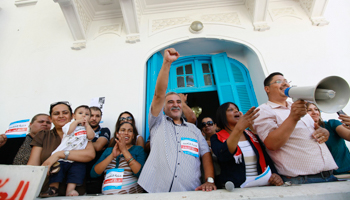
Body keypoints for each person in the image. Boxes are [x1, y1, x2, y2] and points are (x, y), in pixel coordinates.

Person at [138, 48, 216, 193]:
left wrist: (209, 180)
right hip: (155, 191)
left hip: (191, 191)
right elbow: (159, 94)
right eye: (170, 102)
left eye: (178, 101)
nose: (175, 104)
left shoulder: (194, 130)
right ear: (164, 107)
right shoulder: (157, 122)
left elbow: (205, 154)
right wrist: (167, 63)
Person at [253, 72, 338, 184]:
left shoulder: (297, 107)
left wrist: (323, 131)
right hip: (303, 180)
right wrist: (293, 117)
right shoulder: (263, 111)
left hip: (329, 176)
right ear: (267, 89)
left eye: (286, 81)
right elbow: (271, 144)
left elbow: (312, 131)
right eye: (279, 81)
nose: (285, 83)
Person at [27, 101, 95, 196]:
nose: (61, 116)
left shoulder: (82, 133)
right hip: (46, 192)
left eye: (65, 113)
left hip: (74, 195)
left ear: (72, 116)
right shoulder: (43, 135)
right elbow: (33, 166)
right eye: (56, 113)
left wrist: (59, 154)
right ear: (50, 118)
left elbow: (89, 155)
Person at [211, 102, 283, 188]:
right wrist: (239, 128)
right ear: (222, 116)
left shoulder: (251, 135)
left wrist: (275, 174)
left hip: (261, 186)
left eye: (237, 110)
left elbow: (266, 158)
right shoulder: (216, 137)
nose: (236, 111)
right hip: (236, 188)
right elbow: (223, 155)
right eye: (230, 110)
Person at [90, 122, 146, 194]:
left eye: (130, 131)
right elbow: (93, 173)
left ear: (133, 136)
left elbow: (140, 174)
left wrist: (124, 151)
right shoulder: (108, 151)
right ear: (117, 134)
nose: (126, 133)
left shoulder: (138, 150)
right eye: (123, 130)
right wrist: (112, 156)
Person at [307, 102, 350, 174]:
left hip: (345, 172)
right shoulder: (301, 131)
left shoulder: (332, 124)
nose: (314, 112)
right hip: (321, 177)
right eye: (309, 110)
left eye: (316, 109)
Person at [86, 106, 111, 194]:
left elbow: (98, 147)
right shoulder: (78, 130)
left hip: (96, 176)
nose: (94, 118)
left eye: (97, 116)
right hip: (78, 172)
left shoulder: (104, 130)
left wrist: (81, 144)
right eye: (91, 115)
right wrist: (93, 143)